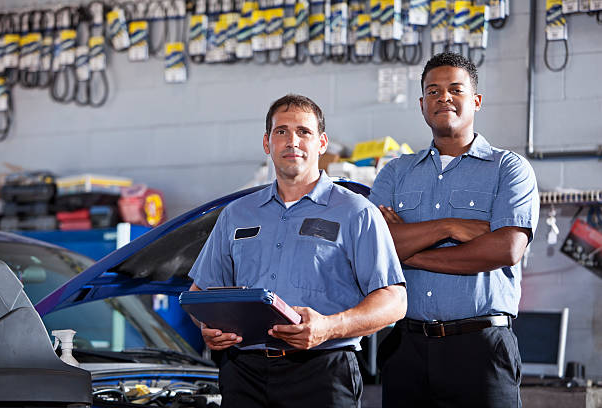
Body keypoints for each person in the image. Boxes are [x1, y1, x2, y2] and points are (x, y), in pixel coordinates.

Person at [187, 94, 407, 408]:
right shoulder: (236, 214)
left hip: (322, 373)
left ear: (322, 143)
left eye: (304, 132)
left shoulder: (356, 212)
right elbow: (201, 292)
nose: (293, 141)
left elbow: (394, 301)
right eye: (282, 131)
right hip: (243, 375)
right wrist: (208, 327)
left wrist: (329, 327)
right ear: (267, 143)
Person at [369, 52, 540, 408]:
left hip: (480, 348)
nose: (443, 97)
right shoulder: (395, 173)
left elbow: (505, 249)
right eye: (433, 91)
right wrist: (451, 227)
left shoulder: (509, 169)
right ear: (421, 104)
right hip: (407, 349)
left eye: (455, 89)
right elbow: (375, 249)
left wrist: (410, 253)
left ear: (476, 101)